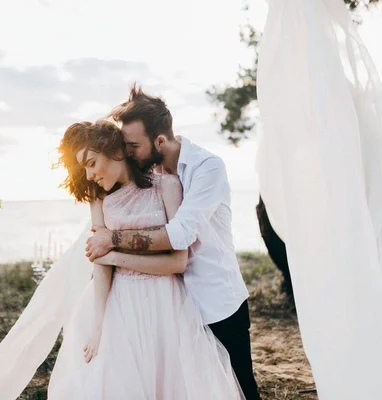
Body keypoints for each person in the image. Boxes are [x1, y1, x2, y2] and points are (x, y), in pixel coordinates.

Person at [85, 85, 262, 400]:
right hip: (176, 301)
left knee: (237, 388)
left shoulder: (207, 168)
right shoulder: (150, 171)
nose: (126, 152)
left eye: (133, 145)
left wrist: (111, 242)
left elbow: (180, 235)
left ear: (159, 141)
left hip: (215, 299)